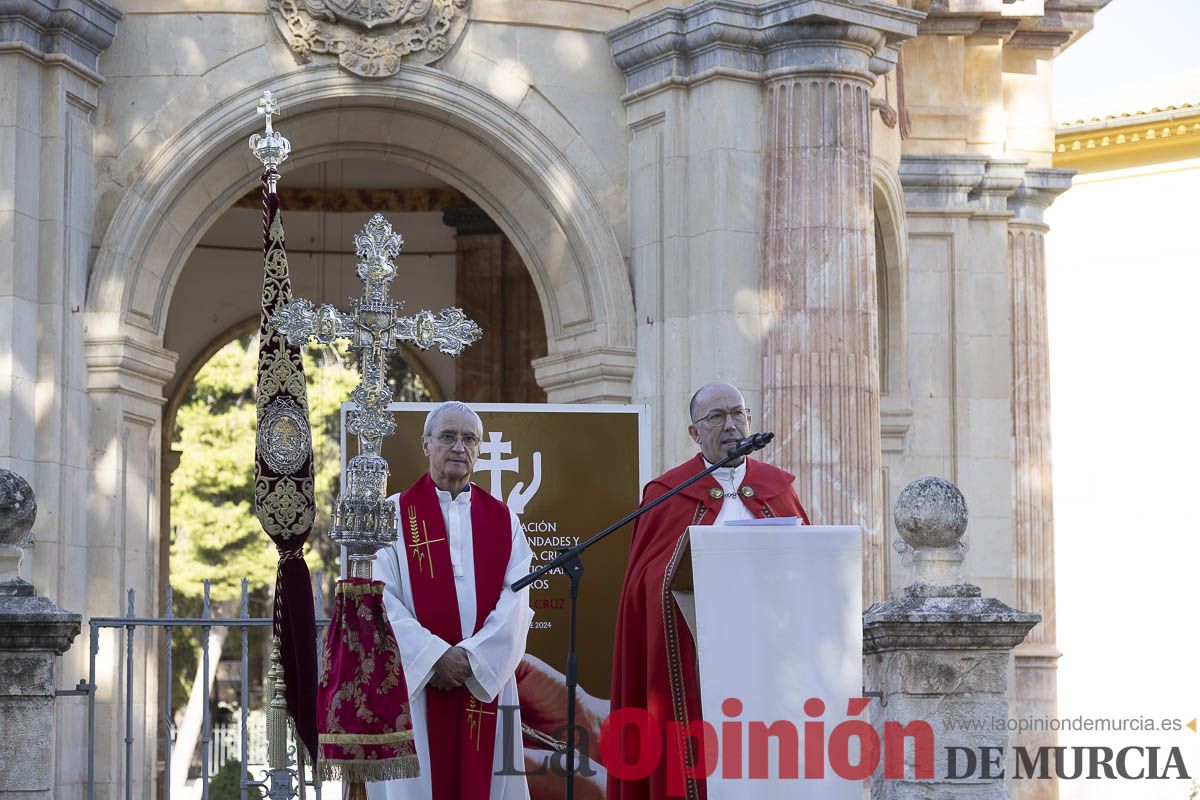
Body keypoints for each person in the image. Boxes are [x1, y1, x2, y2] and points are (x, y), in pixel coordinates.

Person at [607, 382, 810, 800]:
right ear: (694, 433)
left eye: (738, 414)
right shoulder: (666, 494)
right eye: (716, 417)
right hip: (695, 659)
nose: (731, 425)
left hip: (769, 661)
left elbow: (809, 567)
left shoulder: (779, 488)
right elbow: (643, 585)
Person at [370, 400, 533, 800]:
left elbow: (517, 600)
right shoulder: (392, 515)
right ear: (426, 445)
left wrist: (473, 660)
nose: (459, 447)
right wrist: (433, 657)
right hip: (418, 689)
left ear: (479, 449)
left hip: (483, 683)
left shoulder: (503, 520)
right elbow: (379, 598)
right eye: (447, 437)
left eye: (469, 439)